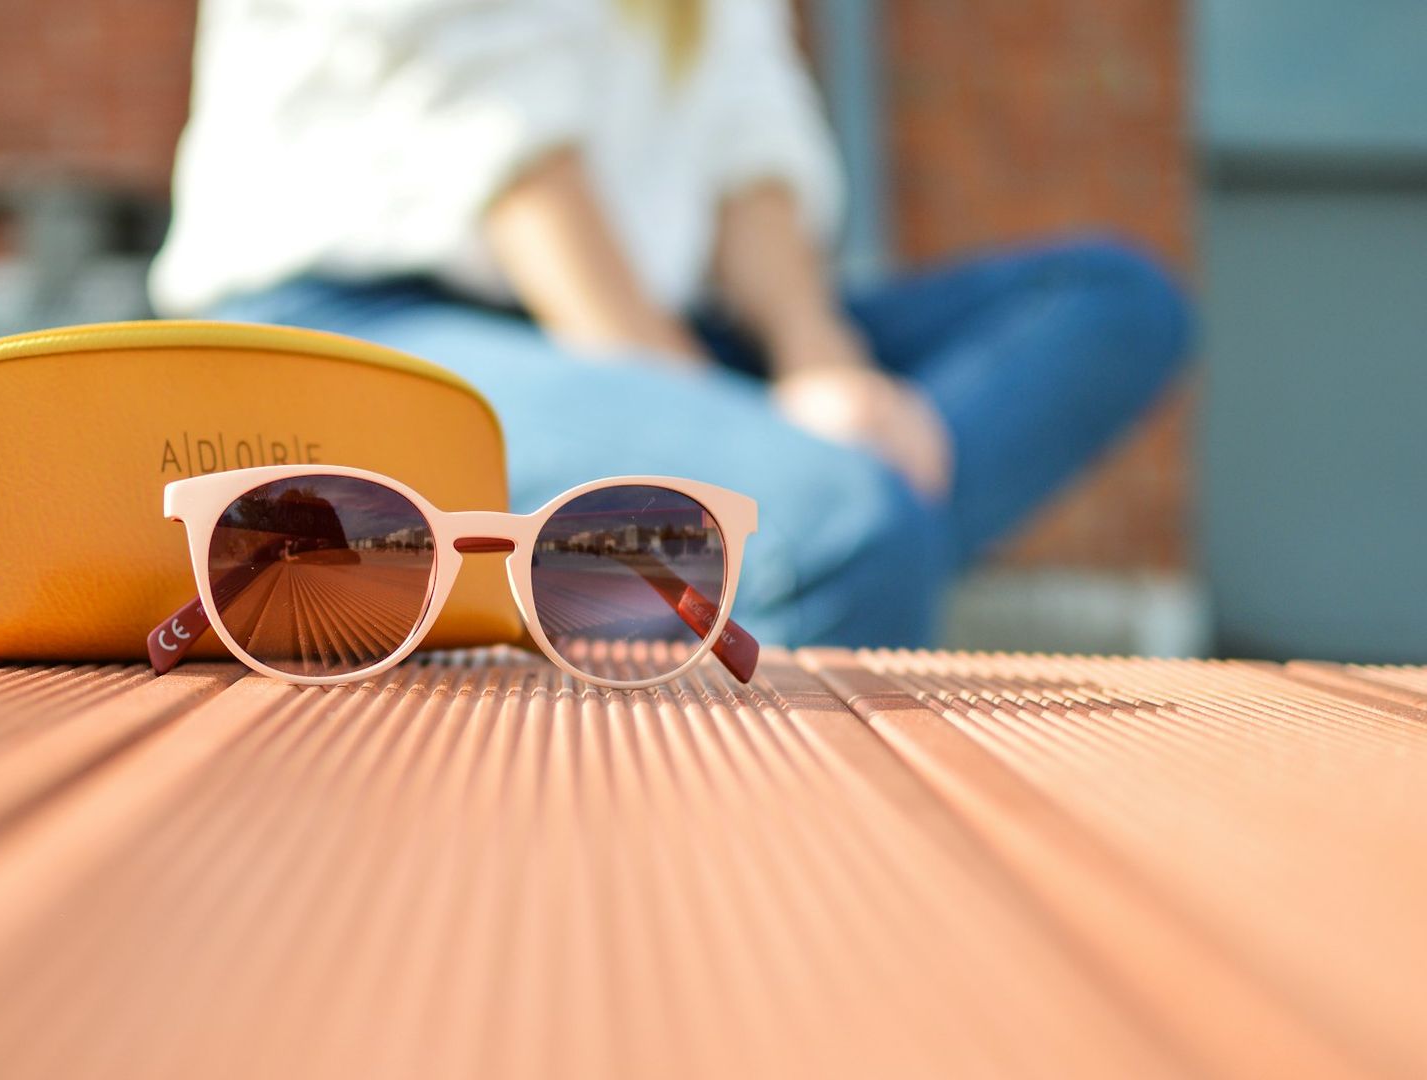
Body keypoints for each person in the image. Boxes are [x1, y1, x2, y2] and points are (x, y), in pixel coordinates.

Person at [148, 0, 1192, 647]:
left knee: (1111, 301)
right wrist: (736, 437)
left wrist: (819, 364)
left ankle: (661, 584)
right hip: (370, 325)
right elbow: (508, 155)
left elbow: (749, 128)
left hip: (675, 323)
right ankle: (752, 579)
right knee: (850, 532)